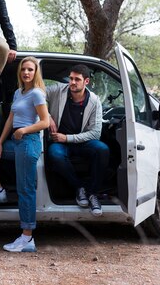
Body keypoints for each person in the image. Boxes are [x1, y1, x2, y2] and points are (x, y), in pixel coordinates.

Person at [0, 57, 49, 252]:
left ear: (36, 72)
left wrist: (24, 131)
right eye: (24, 69)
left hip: (29, 142)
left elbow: (45, 122)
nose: (26, 73)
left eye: (30, 70)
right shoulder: (19, 92)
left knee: (25, 190)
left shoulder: (37, 94)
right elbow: (11, 118)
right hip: (15, 142)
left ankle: (27, 238)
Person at [46, 64, 109, 216]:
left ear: (86, 82)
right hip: (60, 144)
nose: (72, 82)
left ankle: (93, 194)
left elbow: (95, 133)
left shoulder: (94, 101)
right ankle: (79, 187)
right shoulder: (58, 90)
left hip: (82, 142)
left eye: (77, 80)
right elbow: (36, 93)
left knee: (102, 149)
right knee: (54, 153)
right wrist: (47, 116)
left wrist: (67, 138)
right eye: (71, 78)